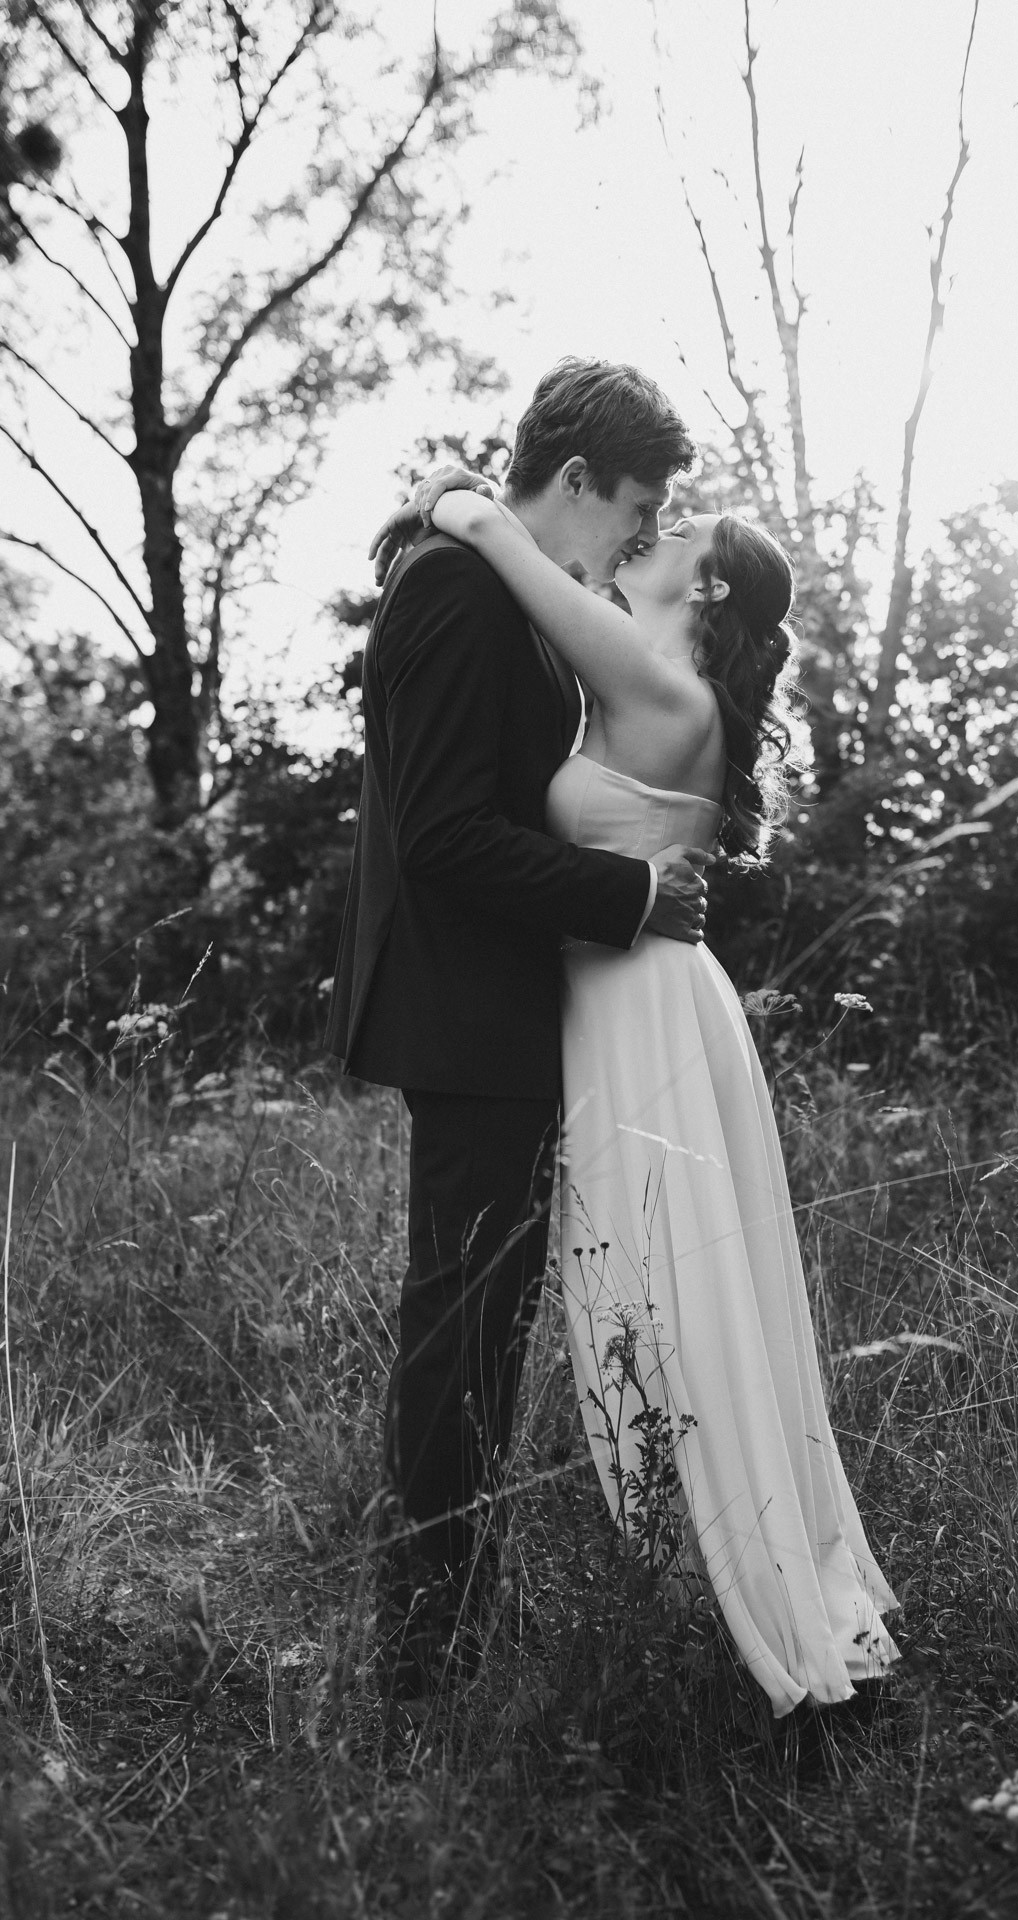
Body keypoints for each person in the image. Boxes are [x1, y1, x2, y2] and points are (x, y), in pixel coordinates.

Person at [374, 476, 900, 1718]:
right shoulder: (646, 686)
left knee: (676, 1295)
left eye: (679, 532)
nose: (653, 534)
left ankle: (750, 1592)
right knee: (651, 1293)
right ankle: (718, 1564)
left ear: (706, 588)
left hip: (641, 1012)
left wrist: (455, 501)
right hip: (623, 999)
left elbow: (507, 545)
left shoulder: (659, 690)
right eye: (651, 511)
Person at [324, 360, 709, 1707]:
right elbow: (438, 836)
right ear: (579, 479)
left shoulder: (515, 594)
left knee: (483, 1326)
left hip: (508, 1013)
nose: (641, 537)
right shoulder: (454, 587)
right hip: (465, 1017)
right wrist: (628, 895)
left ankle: (444, 1633)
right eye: (636, 507)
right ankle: (420, 1670)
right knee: (461, 1331)